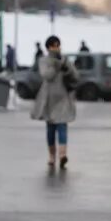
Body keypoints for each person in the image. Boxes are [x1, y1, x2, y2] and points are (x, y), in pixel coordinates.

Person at [31, 35, 79, 169]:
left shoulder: (64, 60)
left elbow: (75, 76)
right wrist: (56, 66)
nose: (56, 48)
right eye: (53, 45)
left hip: (63, 98)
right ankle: (52, 156)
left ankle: (62, 156)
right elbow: (47, 75)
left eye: (58, 45)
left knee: (62, 126)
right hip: (49, 99)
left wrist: (67, 68)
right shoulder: (44, 61)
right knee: (51, 129)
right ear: (48, 47)